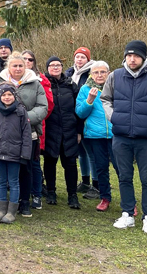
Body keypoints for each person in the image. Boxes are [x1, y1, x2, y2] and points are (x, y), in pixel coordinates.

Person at [102, 40, 147, 235]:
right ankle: (127, 214)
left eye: (136, 56)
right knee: (124, 177)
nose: (132, 59)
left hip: (145, 138)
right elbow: (105, 99)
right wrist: (114, 117)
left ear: (144, 57)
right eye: (129, 55)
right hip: (121, 137)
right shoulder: (115, 76)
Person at [0, 52, 48, 217]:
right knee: (8, 170)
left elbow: (42, 106)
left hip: (29, 133)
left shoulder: (35, 83)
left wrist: (26, 118)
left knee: (26, 168)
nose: (18, 68)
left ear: (25, 67)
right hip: (6, 134)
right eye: (14, 65)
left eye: (20, 66)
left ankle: (24, 202)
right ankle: (9, 203)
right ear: (8, 67)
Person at [0, 83, 32, 224]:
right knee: (1, 181)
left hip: (14, 152)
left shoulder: (21, 111)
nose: (7, 97)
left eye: (9, 94)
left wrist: (25, 154)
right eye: (4, 95)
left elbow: (26, 134)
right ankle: (1, 210)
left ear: (14, 95)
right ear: (0, 96)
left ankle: (11, 212)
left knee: (14, 181)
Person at [76, 62, 118, 212]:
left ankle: (129, 200)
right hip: (95, 135)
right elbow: (80, 113)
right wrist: (89, 100)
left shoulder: (116, 87)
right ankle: (105, 198)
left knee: (121, 168)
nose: (99, 75)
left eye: (102, 72)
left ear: (109, 73)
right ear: (91, 75)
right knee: (101, 168)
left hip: (116, 134)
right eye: (96, 72)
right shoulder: (85, 89)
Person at [43, 56, 83, 209]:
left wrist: (79, 131)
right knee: (50, 162)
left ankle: (72, 195)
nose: (55, 67)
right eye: (52, 65)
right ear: (47, 68)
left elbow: (79, 110)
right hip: (51, 130)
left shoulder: (71, 85)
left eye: (58, 65)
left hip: (69, 130)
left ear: (62, 67)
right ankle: (51, 192)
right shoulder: (43, 84)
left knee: (70, 164)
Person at [22, 50, 53, 210]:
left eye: (30, 59)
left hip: (34, 126)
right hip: (15, 130)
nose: (27, 61)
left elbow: (47, 106)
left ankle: (36, 194)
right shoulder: (12, 79)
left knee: (34, 162)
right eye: (24, 59)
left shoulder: (41, 80)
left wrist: (28, 118)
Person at [66, 47, 97, 195]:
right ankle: (85, 181)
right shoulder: (69, 73)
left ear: (88, 60)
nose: (79, 60)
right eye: (77, 57)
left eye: (83, 57)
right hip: (73, 116)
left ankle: (96, 183)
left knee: (91, 152)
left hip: (87, 115)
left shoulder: (92, 73)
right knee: (81, 152)